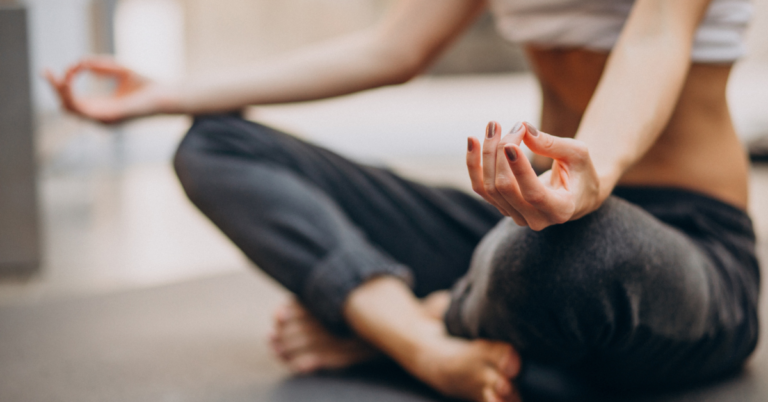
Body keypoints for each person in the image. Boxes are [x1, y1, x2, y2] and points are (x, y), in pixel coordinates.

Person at [46, 0, 760, 401]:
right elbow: (392, 48)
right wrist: (167, 96)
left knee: (570, 255)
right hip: (525, 225)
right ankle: (419, 344)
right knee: (214, 146)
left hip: (684, 251)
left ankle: (389, 318)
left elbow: (659, 34)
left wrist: (592, 173)